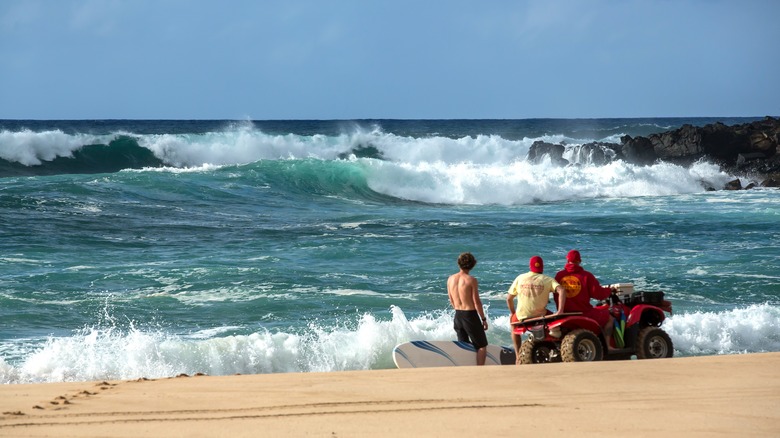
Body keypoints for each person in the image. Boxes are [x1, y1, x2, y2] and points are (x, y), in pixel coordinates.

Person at [506, 255, 566, 363]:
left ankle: (517, 355)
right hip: (541, 315)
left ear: (530, 266)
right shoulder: (547, 279)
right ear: (542, 267)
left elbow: (509, 299)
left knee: (513, 326)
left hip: (522, 316)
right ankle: (559, 348)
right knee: (559, 324)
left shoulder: (520, 278)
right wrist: (560, 310)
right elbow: (561, 290)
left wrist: (512, 313)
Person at [554, 250, 615, 348]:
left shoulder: (559, 276)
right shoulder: (586, 276)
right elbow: (598, 294)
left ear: (567, 260)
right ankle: (608, 345)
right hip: (584, 313)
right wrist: (609, 290)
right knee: (609, 318)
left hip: (563, 313)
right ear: (579, 261)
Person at [447, 252, 489, 366]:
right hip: (469, 315)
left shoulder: (450, 279)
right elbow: (477, 302)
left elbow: (451, 299)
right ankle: (480, 370)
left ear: (459, 263)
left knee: (463, 345)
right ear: (472, 265)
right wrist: (483, 319)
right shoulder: (471, 280)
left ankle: (464, 367)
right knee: (481, 346)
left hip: (458, 315)